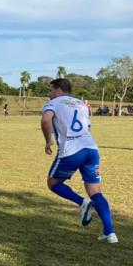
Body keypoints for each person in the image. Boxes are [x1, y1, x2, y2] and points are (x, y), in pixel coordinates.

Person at [42, 78, 117, 243]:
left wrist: (48, 141)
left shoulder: (53, 103)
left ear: (58, 90)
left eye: (50, 90)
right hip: (91, 148)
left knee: (53, 183)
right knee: (96, 191)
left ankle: (82, 202)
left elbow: (46, 120)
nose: (49, 94)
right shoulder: (82, 104)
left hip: (71, 151)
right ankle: (110, 233)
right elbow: (87, 126)